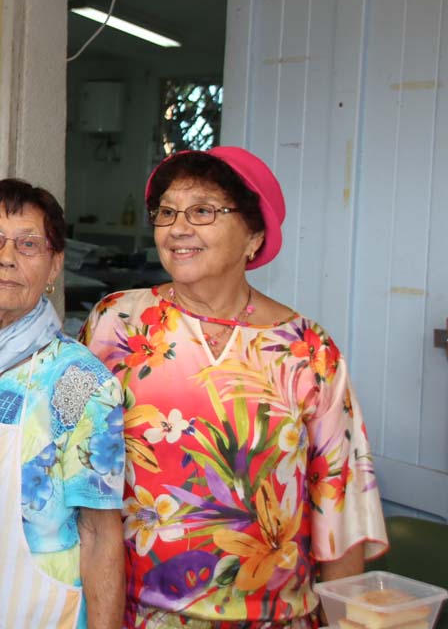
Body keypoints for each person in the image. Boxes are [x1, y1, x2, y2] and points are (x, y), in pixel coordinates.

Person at [82, 147, 388, 628]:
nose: (178, 227)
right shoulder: (116, 323)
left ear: (255, 234)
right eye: (166, 211)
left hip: (277, 618)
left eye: (203, 210)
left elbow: (340, 503)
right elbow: (73, 465)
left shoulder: (306, 350)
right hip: (137, 616)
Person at [0, 179, 125, 629]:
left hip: (40, 606)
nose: (7, 257)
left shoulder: (77, 381)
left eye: (29, 244)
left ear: (55, 266)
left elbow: (99, 534)